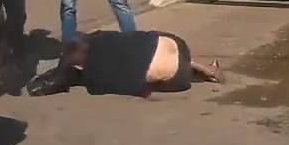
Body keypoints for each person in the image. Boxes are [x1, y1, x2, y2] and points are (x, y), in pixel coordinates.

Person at [27, 30, 222, 98]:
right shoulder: (99, 41)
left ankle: (199, 68)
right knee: (142, 48)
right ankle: (204, 68)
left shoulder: (94, 79)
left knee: (140, 58)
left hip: (172, 78)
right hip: (171, 49)